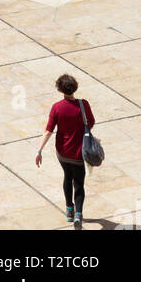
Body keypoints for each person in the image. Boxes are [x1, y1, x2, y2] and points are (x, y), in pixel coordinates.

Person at [35, 73, 94, 228]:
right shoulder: (84, 104)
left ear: (60, 90)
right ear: (75, 87)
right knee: (79, 184)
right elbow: (91, 123)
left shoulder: (57, 108)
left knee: (67, 177)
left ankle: (69, 209)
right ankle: (78, 214)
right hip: (79, 153)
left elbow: (48, 131)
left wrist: (39, 151)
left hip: (62, 152)